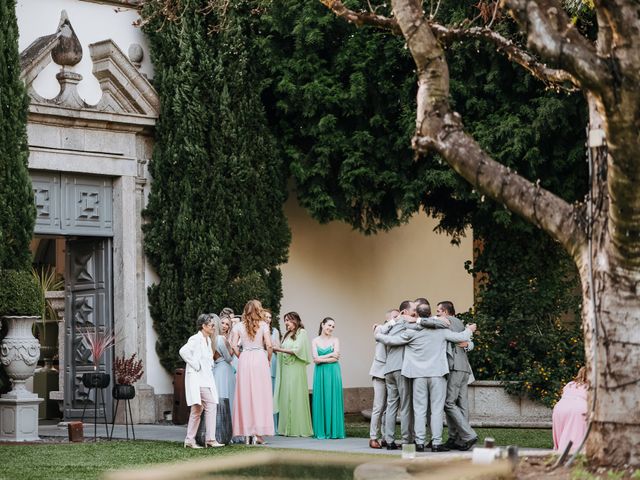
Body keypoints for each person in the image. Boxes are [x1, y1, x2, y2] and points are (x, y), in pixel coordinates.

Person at [376, 305, 477, 452]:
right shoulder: (442, 332)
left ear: (417, 315)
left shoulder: (412, 332)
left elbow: (392, 340)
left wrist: (378, 335)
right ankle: (436, 443)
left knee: (419, 410)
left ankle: (420, 443)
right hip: (437, 375)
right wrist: (470, 329)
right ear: (430, 315)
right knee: (436, 410)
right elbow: (461, 337)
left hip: (418, 377)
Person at [426, 301, 478, 451]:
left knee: (448, 403)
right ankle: (457, 439)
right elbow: (468, 341)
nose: (436, 314)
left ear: (446, 312)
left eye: (438, 311)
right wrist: (469, 342)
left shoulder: (449, 321)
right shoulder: (460, 323)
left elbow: (429, 322)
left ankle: (467, 436)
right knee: (461, 405)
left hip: (455, 367)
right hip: (464, 368)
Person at [230, 300, 274, 444]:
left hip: (245, 358)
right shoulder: (263, 325)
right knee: (260, 395)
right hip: (260, 358)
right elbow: (269, 345)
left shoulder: (237, 326)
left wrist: (240, 356)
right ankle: (258, 434)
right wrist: (268, 359)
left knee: (245, 395)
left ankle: (247, 433)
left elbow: (233, 346)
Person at [179, 313, 224, 448]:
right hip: (197, 379)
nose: (213, 328)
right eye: (211, 325)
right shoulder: (195, 339)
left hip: (205, 378)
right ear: (203, 326)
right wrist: (195, 364)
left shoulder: (208, 340)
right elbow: (183, 351)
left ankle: (189, 440)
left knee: (197, 409)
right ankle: (210, 439)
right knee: (211, 404)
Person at [377, 300, 415, 450]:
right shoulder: (406, 324)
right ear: (404, 312)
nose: (415, 313)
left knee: (392, 405)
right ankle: (406, 440)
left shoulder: (390, 326)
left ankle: (389, 440)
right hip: (401, 369)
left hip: (388, 369)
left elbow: (379, 332)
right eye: (413, 310)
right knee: (405, 406)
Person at [273, 311, 313, 437]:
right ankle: (286, 429)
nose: (286, 323)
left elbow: (297, 350)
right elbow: (283, 350)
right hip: (285, 369)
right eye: (285, 320)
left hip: (296, 369)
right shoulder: (287, 334)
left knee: (295, 395)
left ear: (295, 320)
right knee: (286, 396)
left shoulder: (302, 332)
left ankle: (297, 428)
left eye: (288, 320)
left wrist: (278, 349)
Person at [311, 317, 346, 439]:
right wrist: (330, 354)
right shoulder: (315, 340)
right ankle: (322, 430)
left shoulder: (336, 340)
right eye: (329, 325)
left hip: (333, 372)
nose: (330, 328)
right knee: (321, 398)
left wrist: (322, 358)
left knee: (333, 398)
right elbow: (315, 360)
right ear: (322, 324)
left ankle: (333, 431)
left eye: (333, 326)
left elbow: (336, 359)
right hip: (320, 373)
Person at [368, 309, 398, 448]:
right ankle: (373, 437)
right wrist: (394, 321)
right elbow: (379, 334)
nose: (398, 319)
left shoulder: (398, 331)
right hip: (379, 373)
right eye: (395, 317)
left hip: (392, 373)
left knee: (389, 408)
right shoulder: (380, 328)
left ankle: (387, 437)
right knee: (378, 407)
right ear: (388, 318)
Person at [552, 367, 588, 453]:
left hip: (560, 407)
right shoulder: (590, 386)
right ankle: (576, 452)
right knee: (577, 433)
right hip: (579, 408)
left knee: (561, 431)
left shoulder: (570, 384)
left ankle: (559, 450)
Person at [212, 314, 236, 411]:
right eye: (222, 323)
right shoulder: (221, 338)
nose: (224, 326)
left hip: (216, 368)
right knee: (226, 395)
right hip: (224, 369)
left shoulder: (211, 338)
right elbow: (229, 358)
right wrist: (232, 348)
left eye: (227, 324)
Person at [264, 309, 281, 428]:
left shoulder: (275, 331)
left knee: (272, 392)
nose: (268, 320)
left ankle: (273, 425)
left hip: (272, 360)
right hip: (261, 359)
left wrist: (271, 346)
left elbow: (277, 347)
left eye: (270, 318)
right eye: (266, 317)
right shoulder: (257, 329)